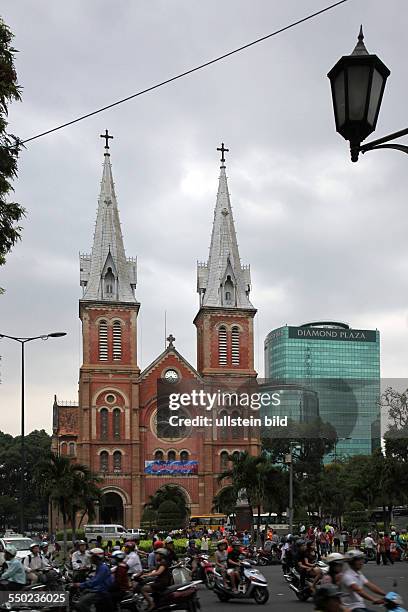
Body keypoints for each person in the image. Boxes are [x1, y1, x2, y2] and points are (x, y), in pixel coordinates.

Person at [73, 548, 113, 612]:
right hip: (98, 589)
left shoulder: (103, 568)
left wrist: (80, 585)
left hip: (101, 592)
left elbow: (95, 581)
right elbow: (94, 579)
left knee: (80, 604)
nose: (90, 559)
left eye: (91, 557)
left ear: (96, 557)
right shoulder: (99, 566)